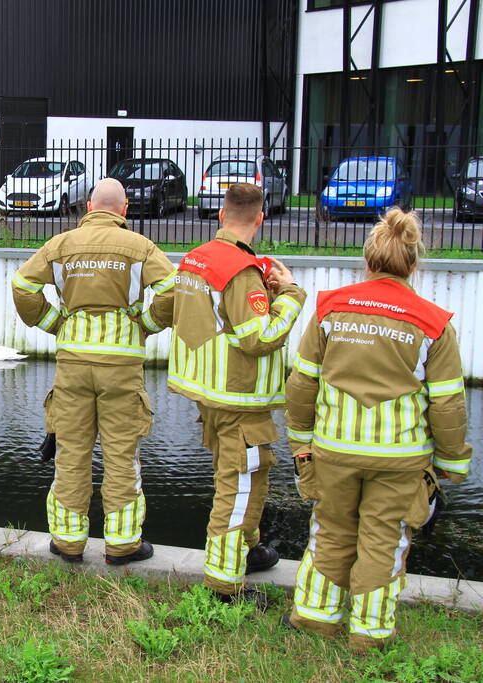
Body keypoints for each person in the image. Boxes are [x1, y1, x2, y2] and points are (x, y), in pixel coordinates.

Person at [284, 208, 471, 652]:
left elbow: (301, 383)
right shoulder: (433, 322)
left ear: (368, 261)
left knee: (329, 531)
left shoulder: (330, 309)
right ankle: (368, 635)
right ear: (414, 264)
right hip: (399, 458)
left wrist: (301, 442)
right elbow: (447, 403)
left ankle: (314, 618)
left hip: (333, 450)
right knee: (384, 541)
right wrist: (451, 463)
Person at [11, 178, 176, 565]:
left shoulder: (62, 245)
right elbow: (173, 290)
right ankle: (122, 545)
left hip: (73, 364)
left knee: (71, 452)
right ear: (123, 209)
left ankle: (68, 543)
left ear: (88, 207)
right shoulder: (140, 246)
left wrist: (56, 323)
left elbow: (22, 285)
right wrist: (146, 325)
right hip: (121, 364)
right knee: (121, 455)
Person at [166, 182, 306, 603]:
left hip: (209, 392)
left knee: (245, 475)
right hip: (238, 396)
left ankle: (249, 548)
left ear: (222, 215)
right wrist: (293, 297)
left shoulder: (196, 258)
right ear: (260, 218)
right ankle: (224, 585)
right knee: (240, 484)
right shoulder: (242, 272)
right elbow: (257, 339)